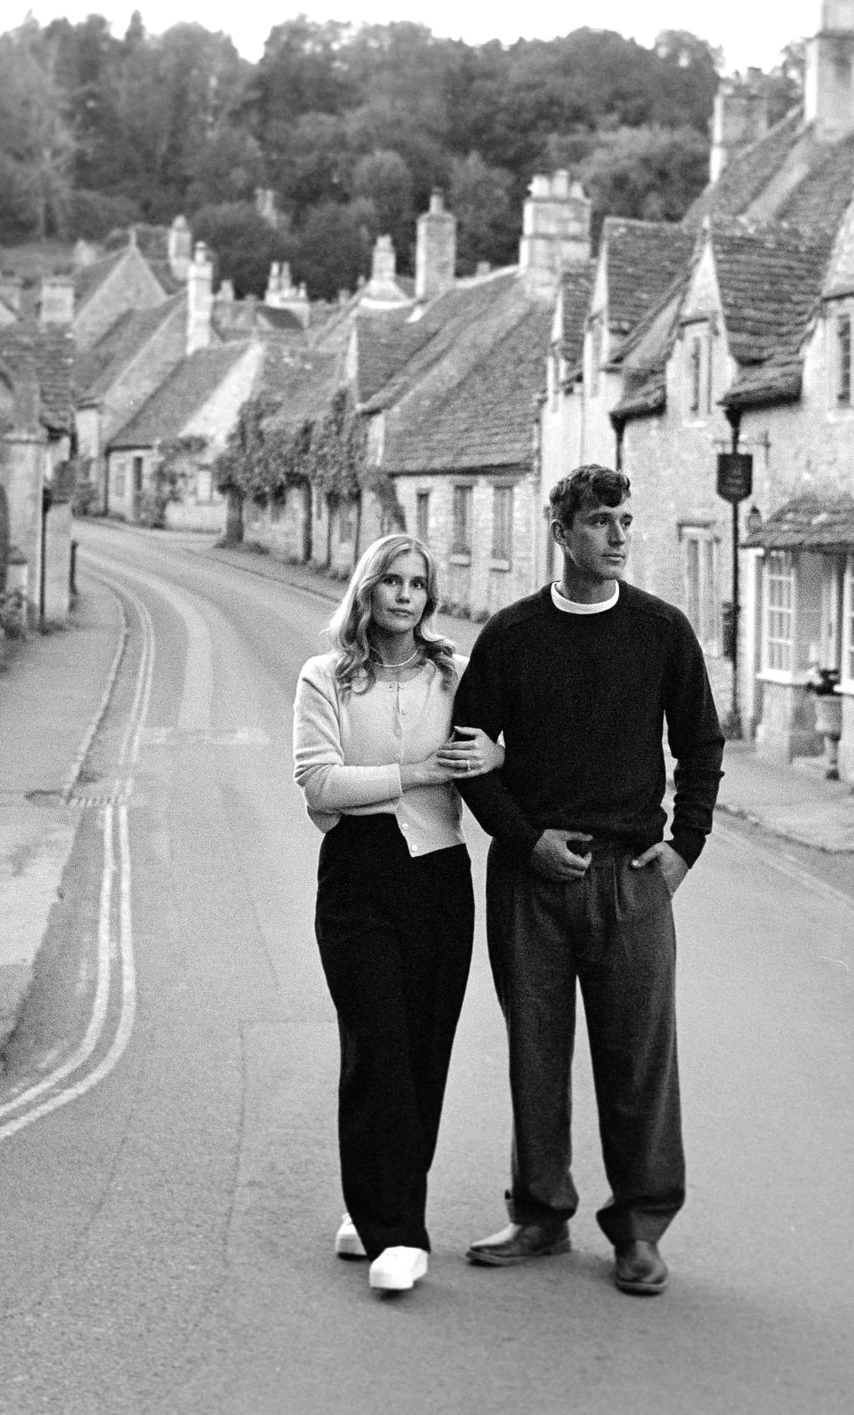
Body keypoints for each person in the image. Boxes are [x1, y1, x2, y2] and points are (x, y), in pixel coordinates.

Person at [450, 464, 724, 1297]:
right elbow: (468, 752)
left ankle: (640, 1229)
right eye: (600, 521)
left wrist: (685, 847)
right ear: (561, 531)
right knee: (536, 1053)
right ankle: (540, 1213)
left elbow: (702, 745)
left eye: (626, 521)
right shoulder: (511, 636)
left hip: (632, 878)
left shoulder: (662, 631)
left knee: (639, 1059)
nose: (617, 536)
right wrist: (525, 838)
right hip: (531, 881)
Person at [291, 532, 501, 1295]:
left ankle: (374, 1202)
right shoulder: (326, 678)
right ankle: (400, 1233)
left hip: (441, 877)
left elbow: (499, 751)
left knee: (422, 1050)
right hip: (356, 875)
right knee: (375, 1043)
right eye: (393, 581)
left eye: (419, 583)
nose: (406, 595)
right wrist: (414, 772)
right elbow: (318, 782)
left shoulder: (458, 675)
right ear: (368, 589)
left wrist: (497, 760)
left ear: (429, 597)